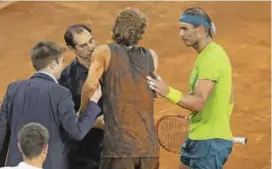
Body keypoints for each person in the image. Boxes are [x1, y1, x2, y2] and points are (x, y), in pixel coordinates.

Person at [147, 7, 234, 169]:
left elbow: (199, 101)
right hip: (197, 135)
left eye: (185, 29)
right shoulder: (207, 55)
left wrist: (167, 92)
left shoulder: (212, 58)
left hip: (209, 143)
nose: (180, 34)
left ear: (200, 30)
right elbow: (230, 96)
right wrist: (205, 116)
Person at [0, 40, 102, 169]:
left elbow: (2, 131)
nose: (62, 66)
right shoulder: (61, 93)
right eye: (61, 62)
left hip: (16, 163)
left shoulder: (13, 89)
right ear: (54, 64)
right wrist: (93, 103)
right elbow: (77, 132)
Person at [79, 8, 160, 169]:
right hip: (149, 148)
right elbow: (152, 92)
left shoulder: (104, 51)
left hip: (119, 149)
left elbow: (89, 86)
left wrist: (83, 111)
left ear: (116, 28)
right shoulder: (152, 56)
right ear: (140, 32)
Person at [59, 24, 104, 169]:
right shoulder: (67, 79)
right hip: (85, 151)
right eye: (83, 45)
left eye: (91, 41)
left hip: (113, 144)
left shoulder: (109, 64)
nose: (90, 47)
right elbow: (66, 119)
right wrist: (94, 122)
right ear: (72, 49)